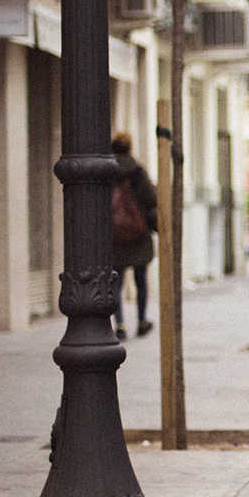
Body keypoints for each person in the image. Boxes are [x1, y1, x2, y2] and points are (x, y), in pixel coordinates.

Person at [110, 132, 158, 341]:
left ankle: (119, 324)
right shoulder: (138, 171)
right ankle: (141, 321)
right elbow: (151, 199)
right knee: (141, 281)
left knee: (116, 283)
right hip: (138, 234)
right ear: (130, 148)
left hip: (114, 235)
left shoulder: (106, 171)